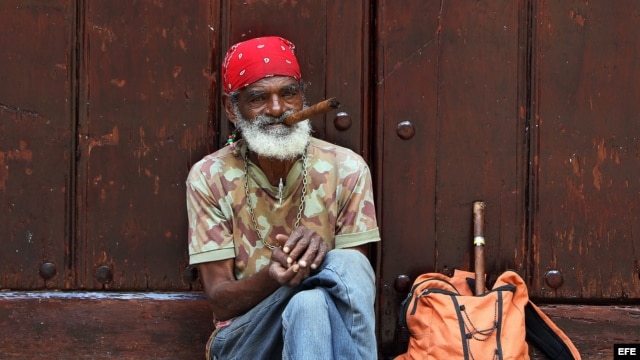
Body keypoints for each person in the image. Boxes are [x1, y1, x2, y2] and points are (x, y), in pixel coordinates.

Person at [186, 36, 381, 360]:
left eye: (288, 94)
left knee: (314, 299)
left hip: (321, 333)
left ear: (303, 98)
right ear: (231, 109)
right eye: (258, 98)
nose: (277, 109)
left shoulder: (346, 168)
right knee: (321, 283)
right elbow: (220, 300)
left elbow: (350, 295)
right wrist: (273, 278)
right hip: (244, 341)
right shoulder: (210, 176)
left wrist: (314, 263)